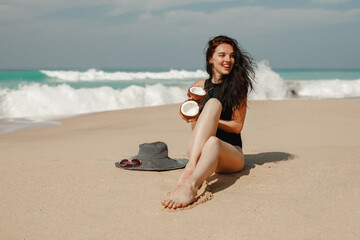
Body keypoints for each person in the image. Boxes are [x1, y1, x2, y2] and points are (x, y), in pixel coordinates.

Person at [161, 35, 255, 209]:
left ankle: (191, 185)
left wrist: (211, 119)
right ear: (211, 58)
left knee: (213, 117)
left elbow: (237, 126)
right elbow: (196, 130)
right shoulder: (198, 87)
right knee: (209, 133)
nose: (228, 59)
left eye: (232, 55)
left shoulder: (238, 87)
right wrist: (195, 117)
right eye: (222, 55)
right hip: (201, 153)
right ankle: (193, 165)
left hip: (230, 155)